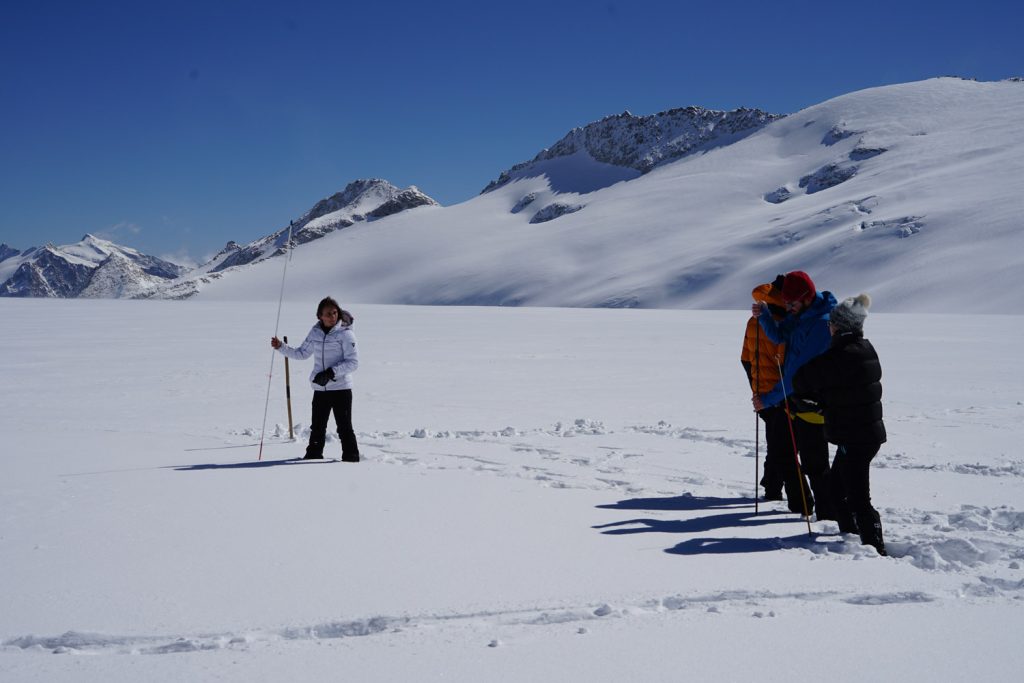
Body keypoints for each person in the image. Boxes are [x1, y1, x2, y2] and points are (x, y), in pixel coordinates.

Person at [794, 294, 887, 555]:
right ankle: (851, 536)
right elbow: (847, 389)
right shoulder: (863, 348)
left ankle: (874, 548)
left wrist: (816, 400)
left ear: (840, 326)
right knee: (837, 488)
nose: (829, 327)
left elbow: (803, 378)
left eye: (831, 324)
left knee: (857, 497)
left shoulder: (842, 354)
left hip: (856, 436)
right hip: (864, 432)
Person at [751, 271, 836, 518]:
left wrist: (767, 399)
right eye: (786, 303)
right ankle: (803, 508)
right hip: (792, 401)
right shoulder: (801, 315)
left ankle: (828, 517)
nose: (788, 308)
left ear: (807, 297)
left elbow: (796, 375)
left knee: (815, 465)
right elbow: (779, 335)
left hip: (813, 403)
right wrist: (765, 316)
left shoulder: (821, 324)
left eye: (792, 303)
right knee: (781, 453)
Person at [271, 296, 360, 462]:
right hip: (320, 389)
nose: (332, 316)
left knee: (344, 427)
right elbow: (301, 353)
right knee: (317, 427)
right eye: (328, 313)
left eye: (335, 312)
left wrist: (331, 372)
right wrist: (281, 347)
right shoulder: (315, 333)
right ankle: (313, 456)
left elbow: (353, 363)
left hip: (341, 389)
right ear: (320, 316)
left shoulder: (346, 334)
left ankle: (351, 458)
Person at [741, 275, 790, 501]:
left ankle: (772, 486)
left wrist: (755, 388)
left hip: (762, 393)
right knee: (785, 444)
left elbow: (745, 359)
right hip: (782, 393)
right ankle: (777, 490)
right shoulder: (784, 322)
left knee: (776, 442)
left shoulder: (754, 320)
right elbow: (788, 361)